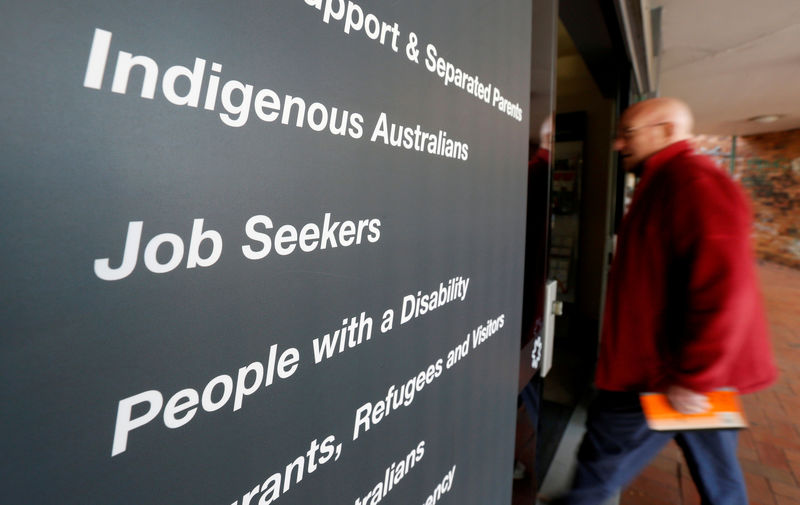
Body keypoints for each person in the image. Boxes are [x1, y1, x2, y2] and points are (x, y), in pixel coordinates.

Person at [553, 97, 777, 505]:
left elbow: (726, 288)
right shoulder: (668, 180)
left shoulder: (694, 182)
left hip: (663, 375)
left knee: (598, 467)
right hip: (678, 372)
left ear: (669, 130)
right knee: (718, 476)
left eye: (628, 133)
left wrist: (695, 375)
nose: (619, 144)